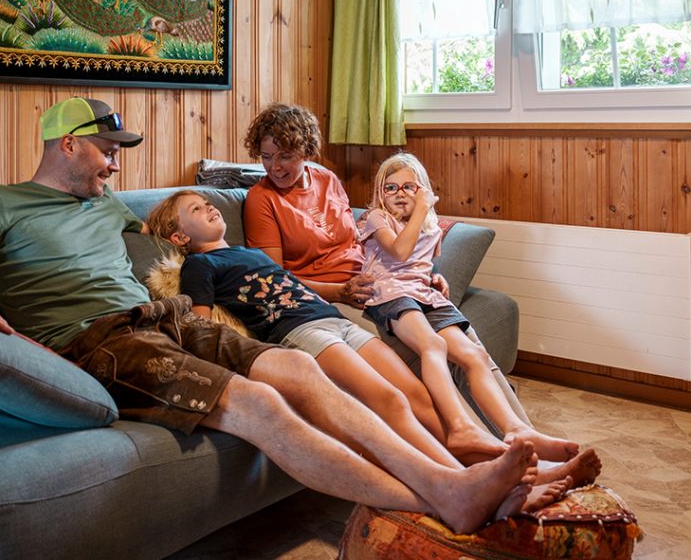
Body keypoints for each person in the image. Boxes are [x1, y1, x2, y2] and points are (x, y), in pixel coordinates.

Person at [0, 96, 539, 535]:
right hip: (93, 341)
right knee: (262, 405)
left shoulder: (107, 206)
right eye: (108, 150)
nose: (117, 164)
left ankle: (454, 475)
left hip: (166, 316)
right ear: (69, 145)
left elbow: (181, 236)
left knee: (298, 370)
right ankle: (443, 497)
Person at [241, 104, 600, 486]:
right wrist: (340, 291)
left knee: (467, 346)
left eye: (285, 156)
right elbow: (275, 278)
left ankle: (524, 441)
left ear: (305, 150)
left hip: (378, 281)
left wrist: (423, 276)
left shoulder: (327, 179)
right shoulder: (262, 201)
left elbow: (368, 242)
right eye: (266, 157)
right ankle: (494, 469)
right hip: (333, 298)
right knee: (426, 352)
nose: (275, 166)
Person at [151, 189, 573, 511]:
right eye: (195, 210)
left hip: (333, 318)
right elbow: (201, 323)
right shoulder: (199, 266)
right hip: (299, 334)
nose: (209, 208)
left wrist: (341, 291)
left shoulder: (248, 252)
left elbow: (296, 283)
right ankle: (460, 480)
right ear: (179, 236)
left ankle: (491, 462)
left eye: (208, 202)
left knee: (418, 393)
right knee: (386, 399)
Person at [360, 152, 600, 466]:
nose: (400, 194)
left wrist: (434, 275)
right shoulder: (378, 219)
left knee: (474, 355)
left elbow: (417, 264)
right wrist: (421, 209)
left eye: (409, 187)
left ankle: (516, 430)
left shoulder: (430, 228)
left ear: (422, 188)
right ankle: (460, 427)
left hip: (424, 294)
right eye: (391, 188)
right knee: (433, 345)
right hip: (389, 294)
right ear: (380, 194)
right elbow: (399, 251)